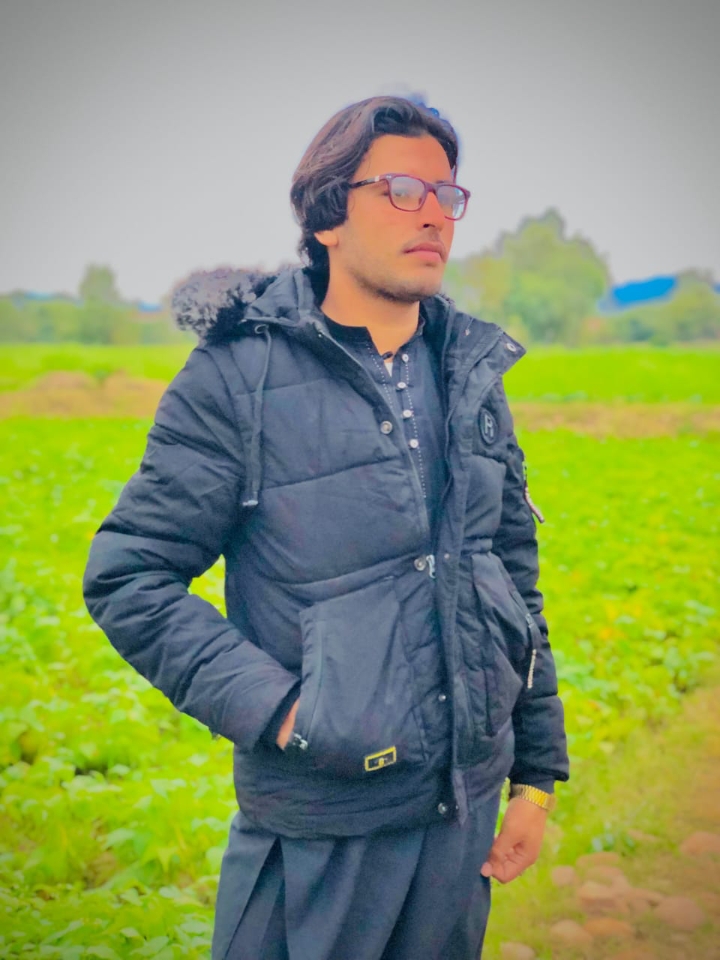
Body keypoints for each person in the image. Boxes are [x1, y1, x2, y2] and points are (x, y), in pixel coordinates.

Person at [83, 95, 569, 960]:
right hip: (321, 827)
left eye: (447, 195)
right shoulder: (237, 379)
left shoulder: (468, 372)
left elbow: (510, 577)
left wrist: (534, 776)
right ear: (327, 214)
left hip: (461, 819)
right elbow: (130, 577)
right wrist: (285, 712)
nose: (433, 214)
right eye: (402, 190)